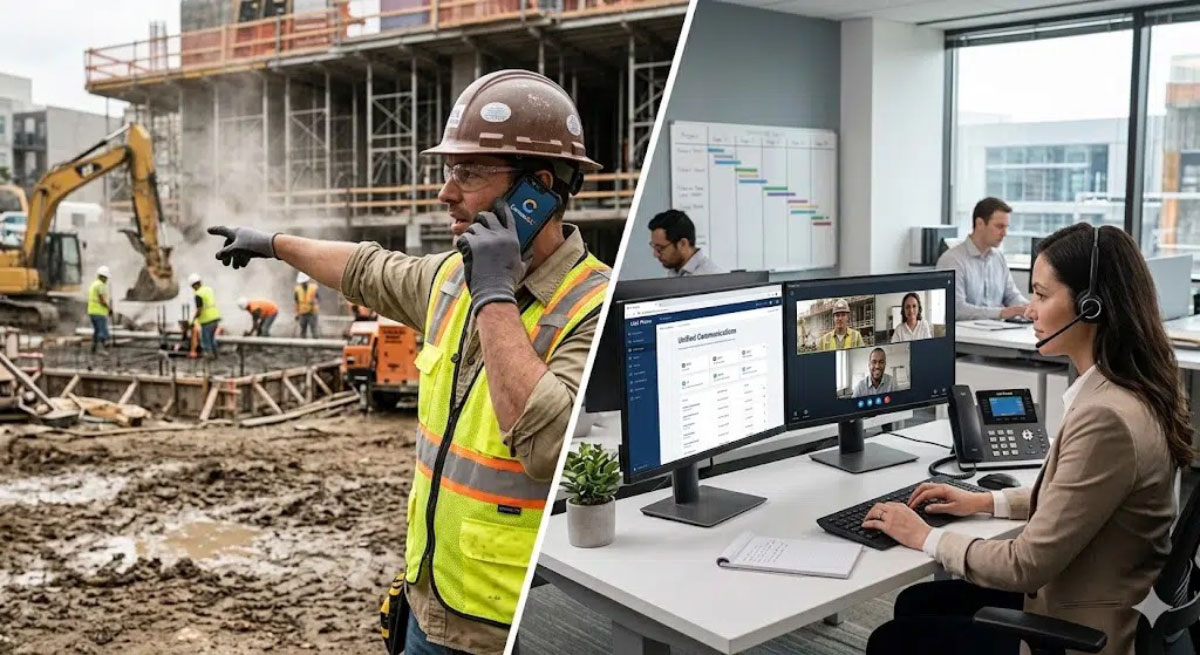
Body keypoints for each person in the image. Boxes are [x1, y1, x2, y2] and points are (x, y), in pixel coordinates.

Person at [206, 69, 610, 655]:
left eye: (468, 174)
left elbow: (547, 446)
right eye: (449, 172)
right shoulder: (449, 278)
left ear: (537, 193)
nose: (447, 193)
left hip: (516, 622)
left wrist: (495, 293)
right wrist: (273, 242)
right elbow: (366, 269)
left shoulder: (591, 306)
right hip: (430, 602)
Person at [863, 223, 1190, 655]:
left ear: (1090, 306)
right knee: (916, 601)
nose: (1030, 310)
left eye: (1041, 294)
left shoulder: (1106, 418)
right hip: (1091, 591)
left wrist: (924, 536)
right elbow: (1078, 501)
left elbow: (1025, 565)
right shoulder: (1133, 387)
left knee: (893, 641)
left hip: (1081, 633)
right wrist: (984, 501)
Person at [937, 197, 1029, 320]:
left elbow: (1011, 295)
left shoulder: (998, 257)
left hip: (994, 332)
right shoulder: (952, 260)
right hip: (966, 335)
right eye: (999, 226)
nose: (1005, 233)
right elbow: (956, 309)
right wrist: (1002, 313)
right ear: (979, 223)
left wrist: (1030, 308)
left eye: (1006, 227)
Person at [648, 209, 725, 277]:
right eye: (654, 247)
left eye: (660, 248)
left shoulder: (711, 278)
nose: (655, 254)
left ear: (683, 244)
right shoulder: (672, 274)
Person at [188, 273, 221, 357]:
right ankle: (216, 356)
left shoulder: (198, 294)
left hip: (207, 321)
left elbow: (199, 309)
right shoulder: (208, 289)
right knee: (212, 339)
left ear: (194, 285)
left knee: (206, 341)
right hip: (215, 318)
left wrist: (194, 319)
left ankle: (209, 358)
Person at [87, 265, 112, 354]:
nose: (107, 280)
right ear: (103, 277)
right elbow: (102, 299)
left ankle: (94, 349)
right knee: (103, 331)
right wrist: (109, 308)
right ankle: (102, 349)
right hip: (99, 312)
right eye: (106, 278)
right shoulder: (101, 285)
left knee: (97, 331)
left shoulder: (94, 284)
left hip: (92, 311)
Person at [295, 272, 319, 338]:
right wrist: (297, 313)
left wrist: (315, 301)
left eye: (304, 282)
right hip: (302, 313)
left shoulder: (313, 288)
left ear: (307, 281)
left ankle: (316, 346)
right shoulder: (297, 290)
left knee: (314, 330)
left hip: (312, 312)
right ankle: (303, 347)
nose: (303, 283)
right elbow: (297, 302)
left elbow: (318, 299)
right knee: (303, 330)